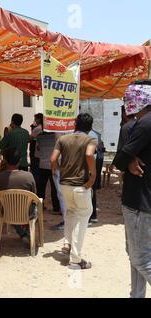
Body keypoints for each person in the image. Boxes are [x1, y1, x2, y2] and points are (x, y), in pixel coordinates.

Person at [112, 81, 151, 298]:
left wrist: (127, 160)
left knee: (140, 258)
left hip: (139, 200)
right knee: (137, 255)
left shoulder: (141, 125)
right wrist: (129, 160)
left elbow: (118, 160)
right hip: (142, 200)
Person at [51, 113, 97, 270]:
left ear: (75, 124)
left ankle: (67, 242)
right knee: (83, 216)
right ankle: (75, 260)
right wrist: (93, 175)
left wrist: (56, 172)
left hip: (64, 184)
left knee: (71, 213)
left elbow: (53, 159)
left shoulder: (63, 139)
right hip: (80, 185)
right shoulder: (90, 140)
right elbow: (89, 154)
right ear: (90, 127)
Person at [0, 147, 37, 244]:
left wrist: (1, 171)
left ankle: (22, 234)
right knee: (35, 207)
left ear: (5, 160)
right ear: (19, 161)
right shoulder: (28, 176)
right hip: (27, 212)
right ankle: (27, 233)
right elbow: (34, 195)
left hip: (6, 211)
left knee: (12, 209)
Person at [36, 131, 61, 214]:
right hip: (53, 164)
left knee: (41, 187)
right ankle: (56, 208)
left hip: (42, 164)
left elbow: (37, 151)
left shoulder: (39, 136)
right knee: (55, 187)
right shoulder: (56, 136)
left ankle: (40, 206)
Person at [88, 129, 105, 224]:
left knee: (89, 192)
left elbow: (89, 154)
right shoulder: (95, 134)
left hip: (90, 167)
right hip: (94, 165)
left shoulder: (89, 135)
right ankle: (93, 216)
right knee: (92, 191)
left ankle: (91, 217)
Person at [30, 113, 43, 185]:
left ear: (39, 119)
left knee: (35, 169)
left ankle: (36, 183)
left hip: (36, 151)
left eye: (35, 119)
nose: (34, 120)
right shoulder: (44, 128)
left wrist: (32, 129)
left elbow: (30, 138)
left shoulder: (37, 129)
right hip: (42, 152)